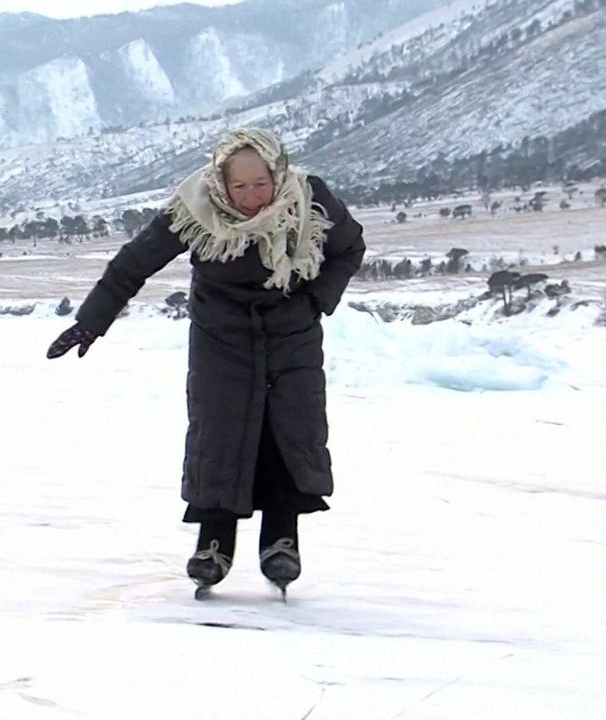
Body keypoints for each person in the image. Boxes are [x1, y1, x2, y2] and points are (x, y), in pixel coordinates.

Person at [46, 128, 366, 598]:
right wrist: (92, 322)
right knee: (219, 433)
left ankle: (282, 537)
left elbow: (349, 248)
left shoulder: (310, 197)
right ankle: (214, 542)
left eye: (261, 184)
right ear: (221, 182)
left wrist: (314, 300)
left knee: (289, 431)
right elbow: (133, 264)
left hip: (291, 333)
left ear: (278, 174)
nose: (252, 197)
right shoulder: (195, 207)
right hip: (222, 337)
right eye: (239, 186)